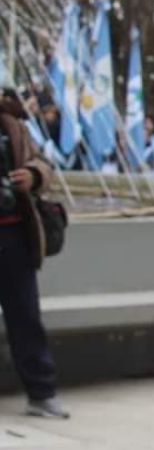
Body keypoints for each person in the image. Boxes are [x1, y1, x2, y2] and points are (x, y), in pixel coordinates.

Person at [0, 89, 67, 419]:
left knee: (25, 315)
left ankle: (41, 393)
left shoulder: (13, 124)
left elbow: (43, 163)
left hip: (13, 232)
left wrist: (34, 175)